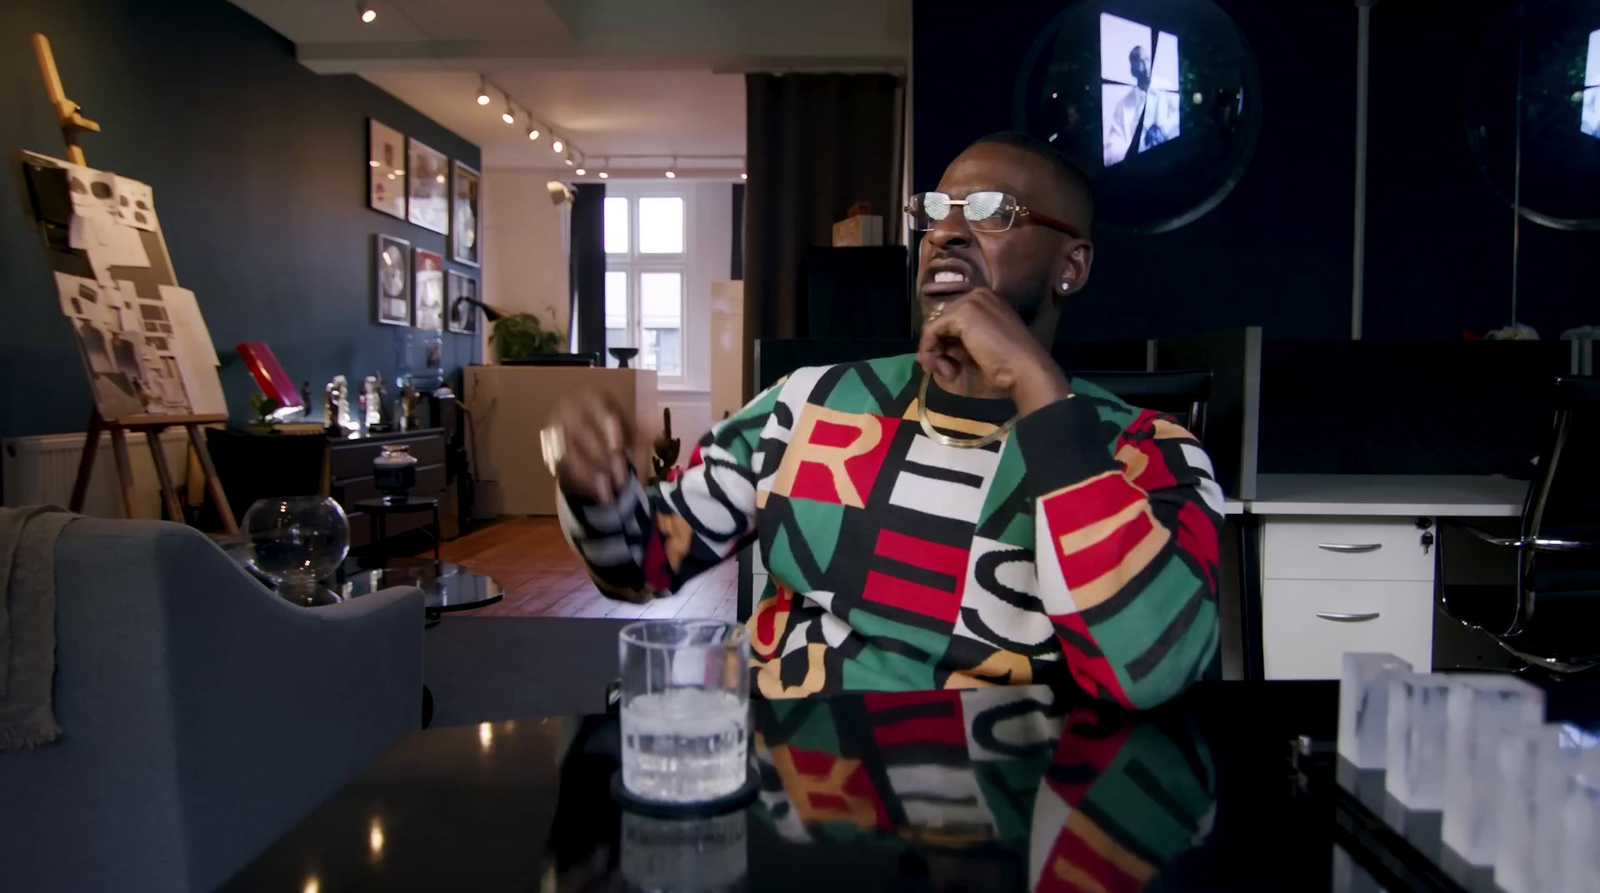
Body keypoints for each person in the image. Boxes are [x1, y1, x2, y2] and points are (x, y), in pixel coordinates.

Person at [548, 132, 1224, 708]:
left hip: (1003, 808)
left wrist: (1038, 391)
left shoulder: (1146, 451)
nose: (946, 233)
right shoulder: (804, 404)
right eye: (935, 211)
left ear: (1070, 266)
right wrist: (599, 491)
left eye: (990, 211)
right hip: (792, 789)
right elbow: (640, 566)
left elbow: (1148, 670)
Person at [1104, 45, 1151, 166]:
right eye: (1140, 61)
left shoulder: (1166, 91)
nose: (1145, 66)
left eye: (1146, 59)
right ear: (1133, 69)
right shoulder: (1122, 106)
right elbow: (1111, 151)